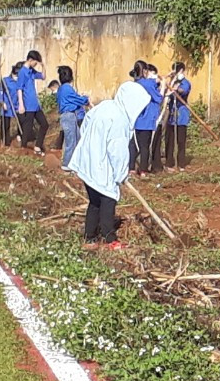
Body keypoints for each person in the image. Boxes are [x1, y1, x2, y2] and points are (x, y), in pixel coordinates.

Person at [68, 81, 152, 252]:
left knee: (94, 201)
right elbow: (117, 152)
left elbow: (85, 124)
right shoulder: (119, 119)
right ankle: (109, 239)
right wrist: (121, 174)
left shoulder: (105, 106)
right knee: (108, 199)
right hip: (101, 165)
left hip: (87, 160)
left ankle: (90, 238)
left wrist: (91, 146)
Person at [129, 61, 163, 176]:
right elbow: (158, 98)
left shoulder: (134, 83)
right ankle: (143, 169)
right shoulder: (148, 84)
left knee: (133, 144)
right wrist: (162, 85)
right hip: (146, 119)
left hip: (135, 119)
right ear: (144, 71)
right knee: (144, 146)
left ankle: (131, 168)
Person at [56, 66, 90, 170]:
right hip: (68, 115)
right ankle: (67, 164)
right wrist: (86, 98)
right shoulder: (67, 88)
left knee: (77, 138)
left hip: (70, 115)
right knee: (71, 140)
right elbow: (77, 99)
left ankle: (75, 163)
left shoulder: (61, 88)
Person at [16, 50, 48, 155]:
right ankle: (23, 149)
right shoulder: (22, 72)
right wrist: (21, 104)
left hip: (35, 105)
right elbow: (19, 88)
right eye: (35, 62)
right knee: (27, 129)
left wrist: (43, 66)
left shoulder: (32, 71)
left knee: (44, 124)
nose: (36, 65)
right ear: (30, 60)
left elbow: (43, 77)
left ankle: (38, 146)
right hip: (28, 105)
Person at [164, 62, 193, 171]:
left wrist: (175, 89)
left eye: (177, 71)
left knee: (180, 141)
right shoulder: (171, 82)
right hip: (171, 116)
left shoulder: (185, 83)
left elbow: (183, 90)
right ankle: (169, 163)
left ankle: (181, 164)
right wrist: (170, 81)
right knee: (169, 140)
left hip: (181, 116)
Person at [0, 63, 23, 147]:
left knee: (22, 121)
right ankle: (5, 141)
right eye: (15, 75)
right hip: (7, 106)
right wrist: (2, 102)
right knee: (5, 125)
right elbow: (0, 92)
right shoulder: (5, 81)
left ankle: (20, 137)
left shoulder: (20, 81)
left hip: (17, 105)